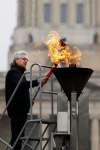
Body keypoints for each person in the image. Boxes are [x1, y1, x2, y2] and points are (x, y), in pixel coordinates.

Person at [5, 50, 39, 150]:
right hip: (16, 111)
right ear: (16, 60)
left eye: (27, 59)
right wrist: (38, 82)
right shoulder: (13, 72)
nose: (26, 61)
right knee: (17, 139)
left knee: (18, 138)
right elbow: (22, 86)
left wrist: (28, 102)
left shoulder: (20, 74)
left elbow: (21, 92)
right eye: (24, 59)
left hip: (21, 111)